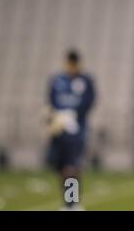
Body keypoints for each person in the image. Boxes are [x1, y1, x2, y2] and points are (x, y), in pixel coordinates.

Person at [45, 49, 96, 210]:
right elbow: (51, 101)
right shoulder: (57, 80)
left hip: (77, 131)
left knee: (73, 167)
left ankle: (72, 203)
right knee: (61, 168)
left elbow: (89, 101)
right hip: (60, 131)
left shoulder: (85, 81)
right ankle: (68, 201)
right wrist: (57, 118)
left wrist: (74, 115)